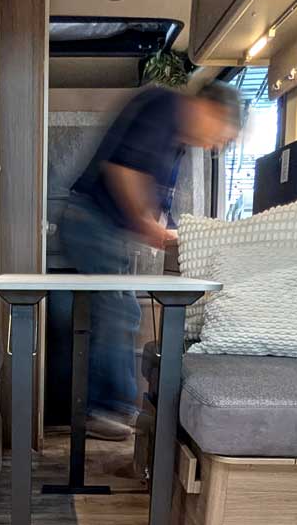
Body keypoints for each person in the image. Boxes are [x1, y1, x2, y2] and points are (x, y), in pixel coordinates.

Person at [60, 82, 242, 440]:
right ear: (212, 110)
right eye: (221, 136)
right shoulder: (164, 107)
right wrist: (148, 227)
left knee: (121, 310)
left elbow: (153, 197)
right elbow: (123, 171)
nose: (215, 146)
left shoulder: (175, 136)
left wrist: (159, 227)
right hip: (89, 220)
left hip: (103, 226)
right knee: (119, 310)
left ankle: (116, 407)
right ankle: (104, 410)